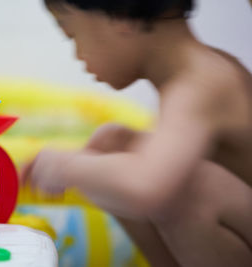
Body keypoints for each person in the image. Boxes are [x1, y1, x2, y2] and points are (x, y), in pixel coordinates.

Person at [21, 0, 252, 266]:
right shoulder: (196, 73)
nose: (77, 54)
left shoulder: (202, 82)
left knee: (183, 187)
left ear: (121, 15)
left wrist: (66, 166)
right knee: (111, 146)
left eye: (73, 35)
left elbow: (146, 187)